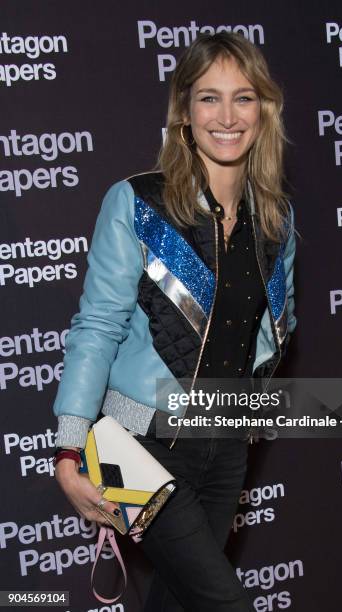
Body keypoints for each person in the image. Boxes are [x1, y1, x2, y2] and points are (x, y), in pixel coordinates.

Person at [52, 32, 297, 612]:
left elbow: (270, 333)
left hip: (226, 449)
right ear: (184, 112)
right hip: (139, 446)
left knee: (178, 603)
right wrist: (69, 451)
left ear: (264, 110)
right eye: (209, 98)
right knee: (224, 603)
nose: (227, 116)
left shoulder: (278, 218)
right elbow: (97, 327)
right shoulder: (139, 203)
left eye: (244, 97)